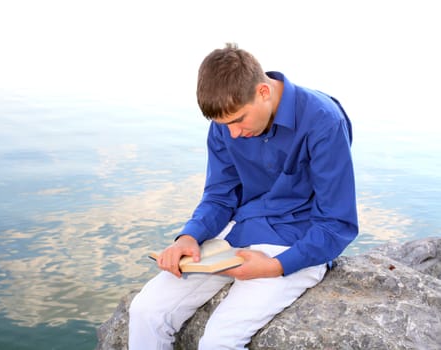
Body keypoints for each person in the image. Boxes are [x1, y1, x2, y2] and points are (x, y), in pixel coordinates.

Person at [129, 43, 358, 349]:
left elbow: (337, 223)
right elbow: (220, 195)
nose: (232, 133)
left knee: (218, 341)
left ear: (263, 92)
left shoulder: (324, 121)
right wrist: (189, 236)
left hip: (296, 244)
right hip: (237, 235)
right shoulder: (226, 124)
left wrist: (275, 267)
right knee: (146, 311)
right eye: (224, 125)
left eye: (238, 120)